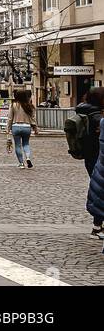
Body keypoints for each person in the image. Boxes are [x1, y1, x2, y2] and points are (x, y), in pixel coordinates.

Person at [68, 87, 103, 238]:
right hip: (98, 158)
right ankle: (97, 227)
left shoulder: (84, 112)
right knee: (100, 192)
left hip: (91, 157)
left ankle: (97, 226)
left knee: (99, 191)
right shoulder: (97, 118)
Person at [8, 89, 37, 169]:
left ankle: (21, 163)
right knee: (26, 144)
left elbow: (10, 118)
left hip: (16, 126)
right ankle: (28, 158)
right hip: (27, 127)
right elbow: (33, 118)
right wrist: (35, 127)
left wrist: (8, 129)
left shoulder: (13, 105)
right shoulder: (29, 105)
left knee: (18, 145)